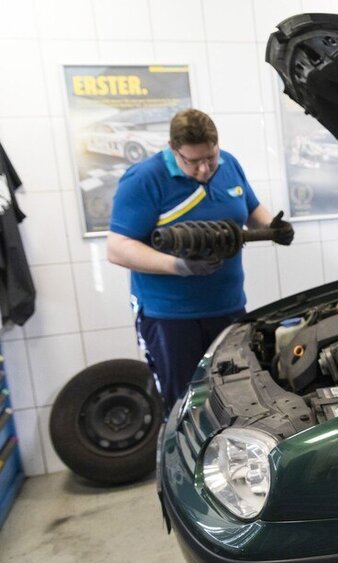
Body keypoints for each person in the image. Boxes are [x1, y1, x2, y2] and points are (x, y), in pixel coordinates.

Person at [106, 108, 294, 412]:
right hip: (170, 317)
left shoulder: (229, 164)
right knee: (185, 406)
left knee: (238, 399)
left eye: (210, 157)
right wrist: (178, 266)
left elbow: (250, 209)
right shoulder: (145, 179)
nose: (204, 169)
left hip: (228, 307)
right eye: (192, 162)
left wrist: (274, 227)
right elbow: (117, 248)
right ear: (173, 150)